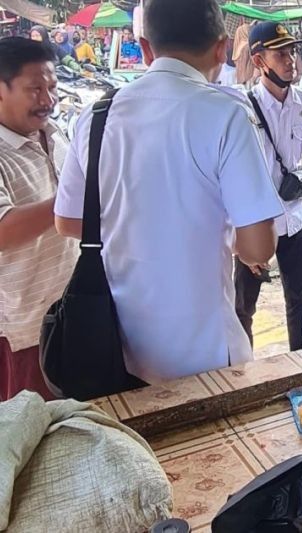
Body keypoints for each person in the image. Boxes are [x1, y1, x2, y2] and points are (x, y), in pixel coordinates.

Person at [54, 0, 284, 385]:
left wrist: (135, 230)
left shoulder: (96, 116)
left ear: (145, 47)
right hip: (204, 353)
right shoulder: (225, 114)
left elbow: (68, 220)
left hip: (115, 347)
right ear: (222, 48)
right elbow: (259, 248)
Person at [0, 38, 78, 401]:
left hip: (72, 313)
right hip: (24, 330)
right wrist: (76, 199)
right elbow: (3, 230)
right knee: (32, 431)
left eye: (52, 88)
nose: (47, 100)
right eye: (34, 89)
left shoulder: (56, 134)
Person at [234, 22, 302, 351]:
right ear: (259, 61)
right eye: (280, 54)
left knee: (299, 300)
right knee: (244, 307)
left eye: (293, 51)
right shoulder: (241, 110)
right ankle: (244, 375)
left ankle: (297, 367)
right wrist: (238, 239)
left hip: (294, 219)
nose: (291, 60)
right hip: (254, 223)